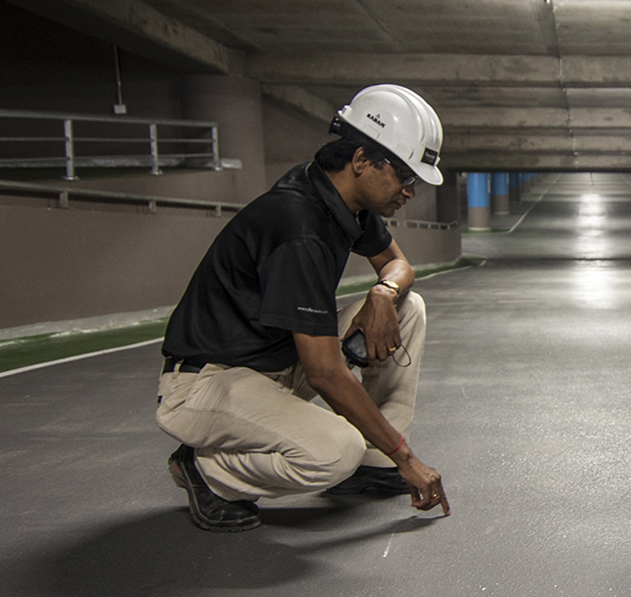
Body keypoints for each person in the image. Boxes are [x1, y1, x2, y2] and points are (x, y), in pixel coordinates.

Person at [157, 84, 450, 532]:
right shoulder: (298, 226)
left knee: (408, 308)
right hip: (207, 384)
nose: (410, 191)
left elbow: (397, 264)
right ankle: (209, 472)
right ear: (360, 161)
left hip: (272, 363)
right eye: (405, 176)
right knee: (335, 452)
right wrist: (408, 459)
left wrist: (383, 293)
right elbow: (325, 373)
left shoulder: (339, 198)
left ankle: (375, 461)